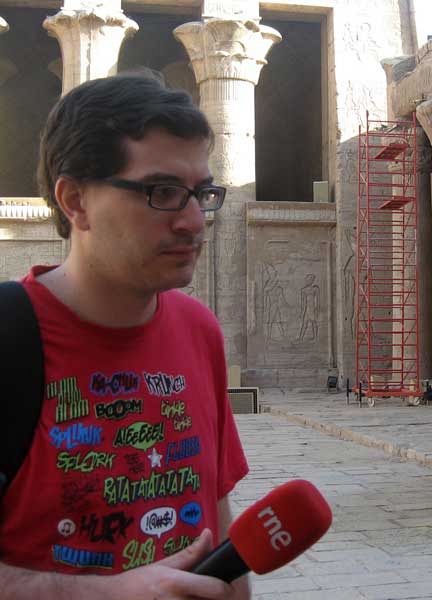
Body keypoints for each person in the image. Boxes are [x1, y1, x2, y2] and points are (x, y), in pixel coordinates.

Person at [0, 74, 250, 599]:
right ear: (76, 201)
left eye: (200, 193)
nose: (192, 222)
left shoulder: (198, 329)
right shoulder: (9, 336)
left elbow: (218, 522)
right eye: (161, 192)